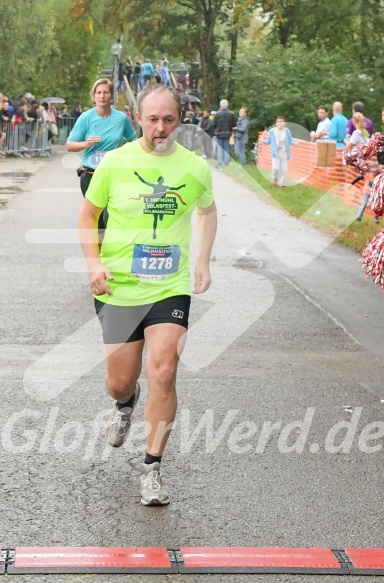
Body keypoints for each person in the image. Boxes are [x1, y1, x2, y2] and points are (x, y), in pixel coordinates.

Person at [78, 83, 217, 506]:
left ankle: (151, 468)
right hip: (119, 286)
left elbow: (208, 211)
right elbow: (88, 214)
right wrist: (94, 263)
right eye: (153, 119)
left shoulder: (194, 167)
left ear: (180, 119)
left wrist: (203, 261)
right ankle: (124, 405)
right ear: (138, 117)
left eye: (169, 119)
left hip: (168, 286)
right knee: (120, 381)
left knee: (164, 369)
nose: (160, 128)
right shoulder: (116, 163)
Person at [66, 78, 137, 231]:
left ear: (111, 96)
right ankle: (97, 253)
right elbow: (70, 145)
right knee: (97, 220)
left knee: (111, 216)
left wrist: (125, 151)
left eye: (106, 92)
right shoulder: (86, 117)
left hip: (114, 174)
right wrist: (86, 144)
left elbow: (133, 140)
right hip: (91, 174)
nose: (102, 96)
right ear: (94, 96)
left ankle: (110, 251)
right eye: (99, 93)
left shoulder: (121, 118)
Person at [261, 116, 297, 188]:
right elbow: (268, 140)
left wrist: (296, 143)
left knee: (284, 169)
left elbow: (290, 140)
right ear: (276, 123)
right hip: (276, 153)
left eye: (281, 122)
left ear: (284, 123)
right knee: (275, 168)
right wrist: (263, 141)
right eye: (278, 122)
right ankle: (274, 178)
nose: (279, 123)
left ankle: (282, 184)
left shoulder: (287, 131)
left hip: (284, 152)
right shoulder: (272, 131)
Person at [212, 99, 237, 169]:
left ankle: (219, 163)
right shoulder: (231, 114)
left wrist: (215, 130)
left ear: (220, 105)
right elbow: (234, 124)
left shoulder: (217, 114)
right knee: (226, 148)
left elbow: (214, 124)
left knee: (219, 149)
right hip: (228, 133)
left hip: (219, 133)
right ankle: (226, 164)